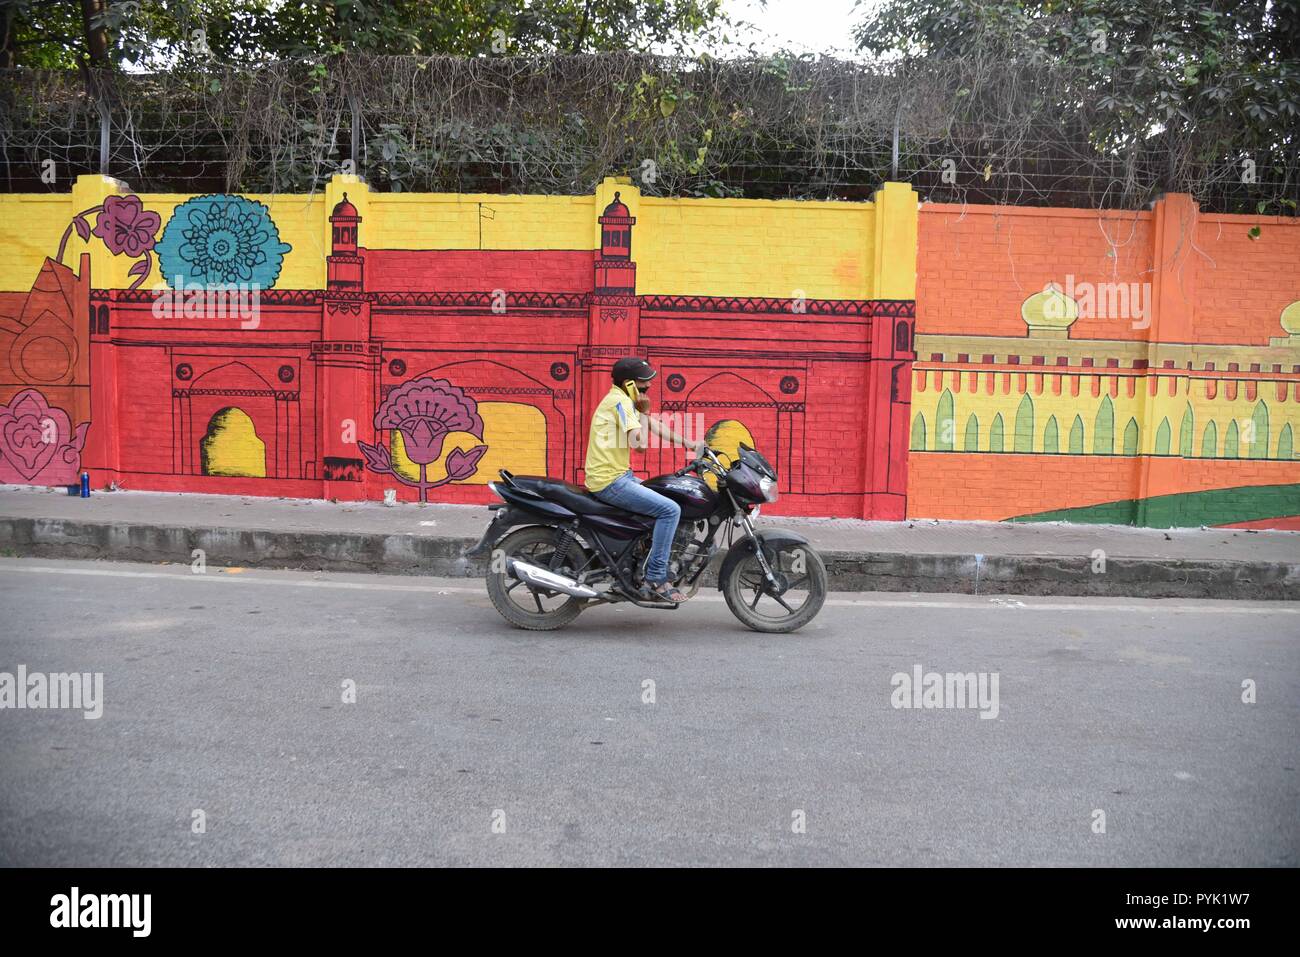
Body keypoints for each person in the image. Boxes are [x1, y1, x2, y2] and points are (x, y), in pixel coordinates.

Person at [583, 356, 703, 603]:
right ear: (628, 383)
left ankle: (636, 565)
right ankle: (656, 578)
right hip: (610, 481)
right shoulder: (619, 403)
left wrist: (689, 444)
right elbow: (639, 445)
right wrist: (643, 411)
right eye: (643, 382)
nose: (648, 387)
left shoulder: (624, 401)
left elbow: (653, 425)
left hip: (619, 475)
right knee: (670, 510)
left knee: (667, 498)